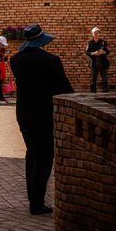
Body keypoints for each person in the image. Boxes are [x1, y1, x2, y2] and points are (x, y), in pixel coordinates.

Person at [10, 23, 73, 215]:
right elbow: (65, 89)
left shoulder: (15, 60)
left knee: (32, 154)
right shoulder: (51, 60)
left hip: (24, 113)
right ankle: (37, 204)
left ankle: (33, 200)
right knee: (45, 157)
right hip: (45, 115)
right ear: (41, 39)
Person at [85, 26, 110, 92]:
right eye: (94, 33)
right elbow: (87, 52)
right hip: (94, 64)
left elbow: (107, 51)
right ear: (92, 34)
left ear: (99, 33)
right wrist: (94, 53)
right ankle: (93, 94)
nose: (96, 34)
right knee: (93, 80)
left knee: (105, 80)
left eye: (97, 32)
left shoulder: (103, 42)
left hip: (103, 63)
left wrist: (103, 52)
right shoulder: (90, 43)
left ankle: (105, 94)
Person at [0, 35, 9, 103]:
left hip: (1, 68)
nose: (3, 46)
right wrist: (0, 59)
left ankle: (1, 97)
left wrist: (5, 58)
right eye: (2, 45)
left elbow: (3, 58)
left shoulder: (3, 49)